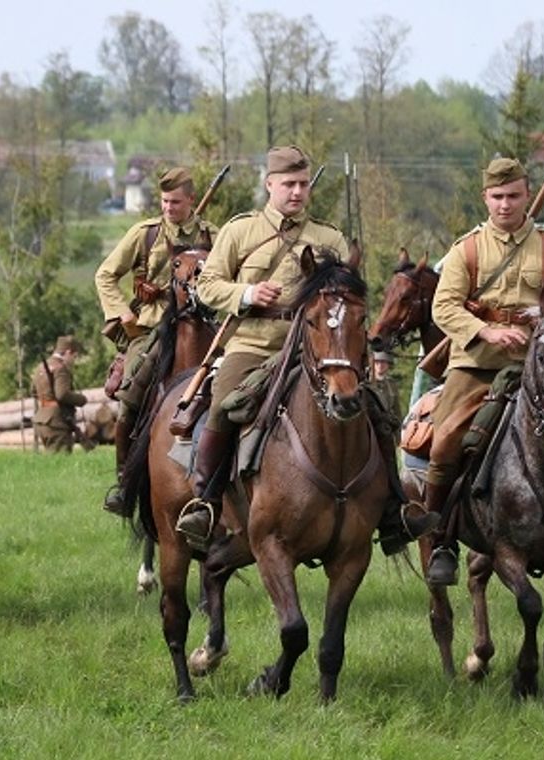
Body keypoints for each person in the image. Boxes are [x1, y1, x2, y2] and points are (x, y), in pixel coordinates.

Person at [174, 144, 439, 553]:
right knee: (225, 401)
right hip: (255, 344)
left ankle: (394, 510)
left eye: (302, 184)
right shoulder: (240, 231)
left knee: (376, 409)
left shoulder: (328, 237)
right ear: (269, 185)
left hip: (317, 349)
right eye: (288, 184)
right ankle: (204, 501)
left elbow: (347, 297)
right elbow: (207, 286)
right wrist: (246, 293)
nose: (296, 192)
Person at [422, 157, 544, 586]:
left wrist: (543, 318)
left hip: (543, 369)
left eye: (513, 196)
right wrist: (486, 331)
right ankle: (442, 540)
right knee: (445, 442)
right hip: (477, 366)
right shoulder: (466, 249)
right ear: (485, 198)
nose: (505, 205)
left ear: (527, 195)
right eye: (497, 197)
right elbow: (444, 306)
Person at [95, 167, 220, 514]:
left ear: (191, 200)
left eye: (176, 202)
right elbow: (105, 275)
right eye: (164, 201)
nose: (168, 208)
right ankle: (123, 482)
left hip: (203, 325)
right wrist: (122, 312)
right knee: (132, 391)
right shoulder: (146, 234)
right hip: (152, 328)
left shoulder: (213, 234)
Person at [32, 335, 88, 453]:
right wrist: (81, 399)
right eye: (74, 356)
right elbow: (61, 394)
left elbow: (33, 391)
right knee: (61, 463)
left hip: (42, 420)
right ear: (68, 352)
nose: (74, 360)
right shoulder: (61, 368)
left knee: (52, 463)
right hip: (57, 422)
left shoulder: (40, 367)